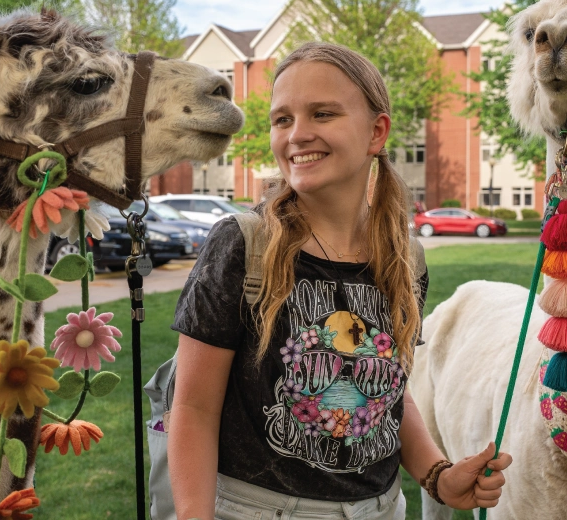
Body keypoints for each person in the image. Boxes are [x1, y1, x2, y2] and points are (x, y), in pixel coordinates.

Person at [168, 42, 511, 519]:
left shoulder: (405, 258)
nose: (297, 135)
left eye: (323, 114)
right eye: (282, 119)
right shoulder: (244, 245)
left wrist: (438, 475)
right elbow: (193, 408)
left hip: (383, 508)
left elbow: (391, 392)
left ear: (377, 131)